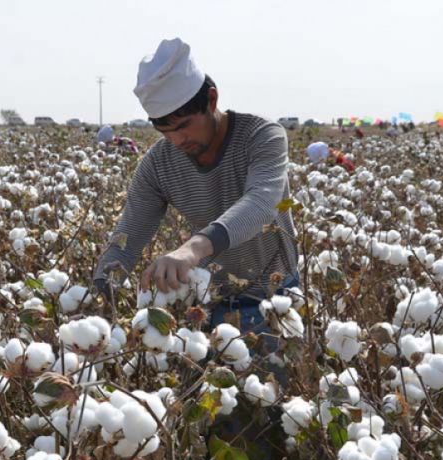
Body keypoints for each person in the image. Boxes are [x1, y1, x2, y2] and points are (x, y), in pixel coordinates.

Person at [93, 38, 298, 336]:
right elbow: (128, 236)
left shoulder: (262, 136)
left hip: (275, 299)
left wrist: (192, 249)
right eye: (165, 131)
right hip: (209, 301)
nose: (177, 140)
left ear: (212, 100)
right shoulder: (158, 164)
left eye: (184, 125)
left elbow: (262, 205)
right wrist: (97, 294)